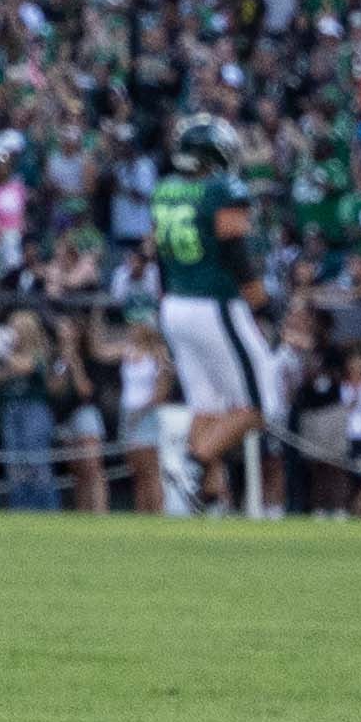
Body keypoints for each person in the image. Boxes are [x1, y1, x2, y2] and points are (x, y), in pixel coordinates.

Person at [138, 111, 289, 523]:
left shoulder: (165, 190)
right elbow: (236, 255)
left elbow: (156, 253)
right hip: (214, 303)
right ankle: (191, 461)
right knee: (260, 405)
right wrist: (262, 305)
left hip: (175, 303)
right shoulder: (222, 189)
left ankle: (205, 496)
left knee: (207, 405)